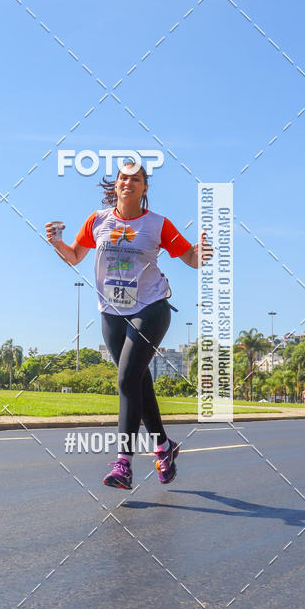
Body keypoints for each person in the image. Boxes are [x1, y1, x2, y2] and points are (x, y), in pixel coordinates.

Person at [46, 162, 213, 490]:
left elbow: (191, 258)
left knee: (126, 378)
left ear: (144, 187)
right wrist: (56, 243)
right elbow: (75, 256)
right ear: (117, 184)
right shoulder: (98, 221)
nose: (128, 182)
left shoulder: (158, 225)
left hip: (151, 309)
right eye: (124, 177)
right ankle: (164, 447)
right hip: (111, 314)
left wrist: (202, 252)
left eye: (136, 179)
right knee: (139, 381)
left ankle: (123, 464)